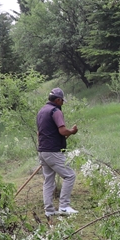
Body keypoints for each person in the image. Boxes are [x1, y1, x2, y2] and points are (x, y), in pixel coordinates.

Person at [36, 87, 79, 217]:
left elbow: (39, 133)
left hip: (42, 150)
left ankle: (49, 211)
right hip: (53, 151)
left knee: (48, 180)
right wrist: (72, 131)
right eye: (62, 101)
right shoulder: (55, 111)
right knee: (70, 175)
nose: (62, 104)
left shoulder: (41, 111)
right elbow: (62, 131)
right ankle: (64, 207)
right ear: (58, 100)